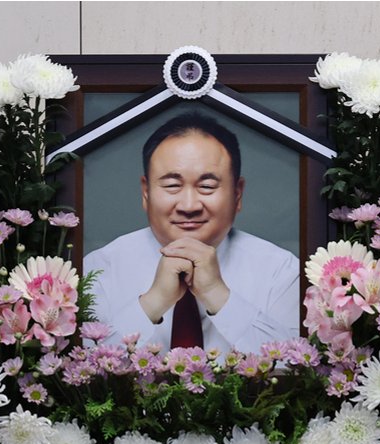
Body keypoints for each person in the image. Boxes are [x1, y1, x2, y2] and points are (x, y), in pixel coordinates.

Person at [85, 112, 301, 353]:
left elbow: (301, 364)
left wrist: (217, 294)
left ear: (237, 194)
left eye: (207, 186)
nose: (189, 206)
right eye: (172, 185)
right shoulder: (99, 270)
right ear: (146, 193)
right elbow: (75, 367)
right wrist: (153, 302)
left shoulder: (281, 272)